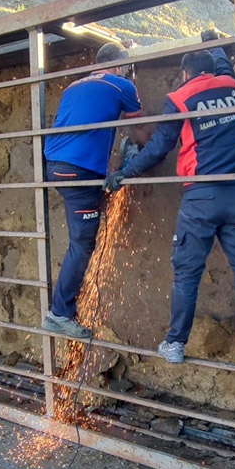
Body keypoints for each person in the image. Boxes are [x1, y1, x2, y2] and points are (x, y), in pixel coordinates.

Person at [105, 31, 235, 371]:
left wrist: (125, 172)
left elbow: (160, 146)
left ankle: (175, 344)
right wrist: (216, 44)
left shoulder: (181, 97)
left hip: (202, 198)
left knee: (187, 274)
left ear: (185, 73)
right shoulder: (232, 87)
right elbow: (223, 66)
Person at [42, 42, 142, 339]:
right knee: (83, 243)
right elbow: (141, 130)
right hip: (79, 171)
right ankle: (59, 314)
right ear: (119, 64)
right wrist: (142, 156)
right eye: (125, 64)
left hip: (57, 167)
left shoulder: (74, 85)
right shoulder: (122, 85)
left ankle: (61, 310)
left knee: (84, 230)